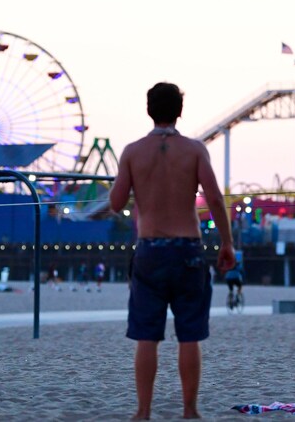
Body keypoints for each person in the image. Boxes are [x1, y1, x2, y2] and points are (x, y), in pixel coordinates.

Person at [109, 81, 235, 420]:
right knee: (189, 335)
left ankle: (143, 411)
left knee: (146, 336)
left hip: (149, 249)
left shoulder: (132, 152)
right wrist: (227, 242)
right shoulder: (195, 150)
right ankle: (190, 410)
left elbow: (116, 203)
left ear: (148, 110)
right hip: (188, 250)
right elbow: (214, 198)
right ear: (180, 111)